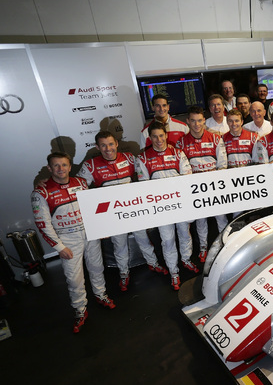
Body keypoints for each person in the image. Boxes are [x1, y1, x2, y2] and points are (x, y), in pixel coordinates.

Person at [32, 151, 115, 333]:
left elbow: (92, 208)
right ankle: (80, 309)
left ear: (70, 166)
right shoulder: (41, 192)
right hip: (68, 240)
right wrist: (59, 247)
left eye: (64, 165)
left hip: (89, 234)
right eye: (56, 165)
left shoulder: (81, 183)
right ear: (49, 168)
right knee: (74, 278)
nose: (60, 169)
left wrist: (99, 228)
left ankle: (101, 294)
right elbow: (43, 224)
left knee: (96, 267)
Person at [77, 131, 168, 291]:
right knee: (119, 246)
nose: (108, 148)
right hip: (112, 215)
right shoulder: (90, 165)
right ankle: (124, 274)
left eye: (111, 144)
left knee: (143, 239)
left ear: (116, 144)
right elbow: (77, 186)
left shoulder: (129, 158)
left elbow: (148, 170)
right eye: (103, 145)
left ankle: (153, 263)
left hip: (133, 209)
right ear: (97, 147)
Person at [136, 123, 194, 290]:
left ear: (166, 135)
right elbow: (144, 186)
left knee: (185, 234)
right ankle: (174, 272)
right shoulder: (143, 158)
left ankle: (186, 260)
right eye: (155, 136)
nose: (159, 140)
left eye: (161, 136)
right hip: (161, 208)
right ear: (149, 138)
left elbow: (187, 177)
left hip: (181, 204)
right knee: (167, 240)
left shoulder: (177, 153)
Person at [176, 106, 228, 264]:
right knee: (200, 220)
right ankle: (204, 248)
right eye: (193, 120)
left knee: (221, 217)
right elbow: (179, 167)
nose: (197, 124)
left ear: (204, 121)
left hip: (214, 185)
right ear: (188, 122)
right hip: (194, 188)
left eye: (199, 120)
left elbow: (222, 164)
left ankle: (223, 246)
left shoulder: (215, 139)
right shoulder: (181, 142)